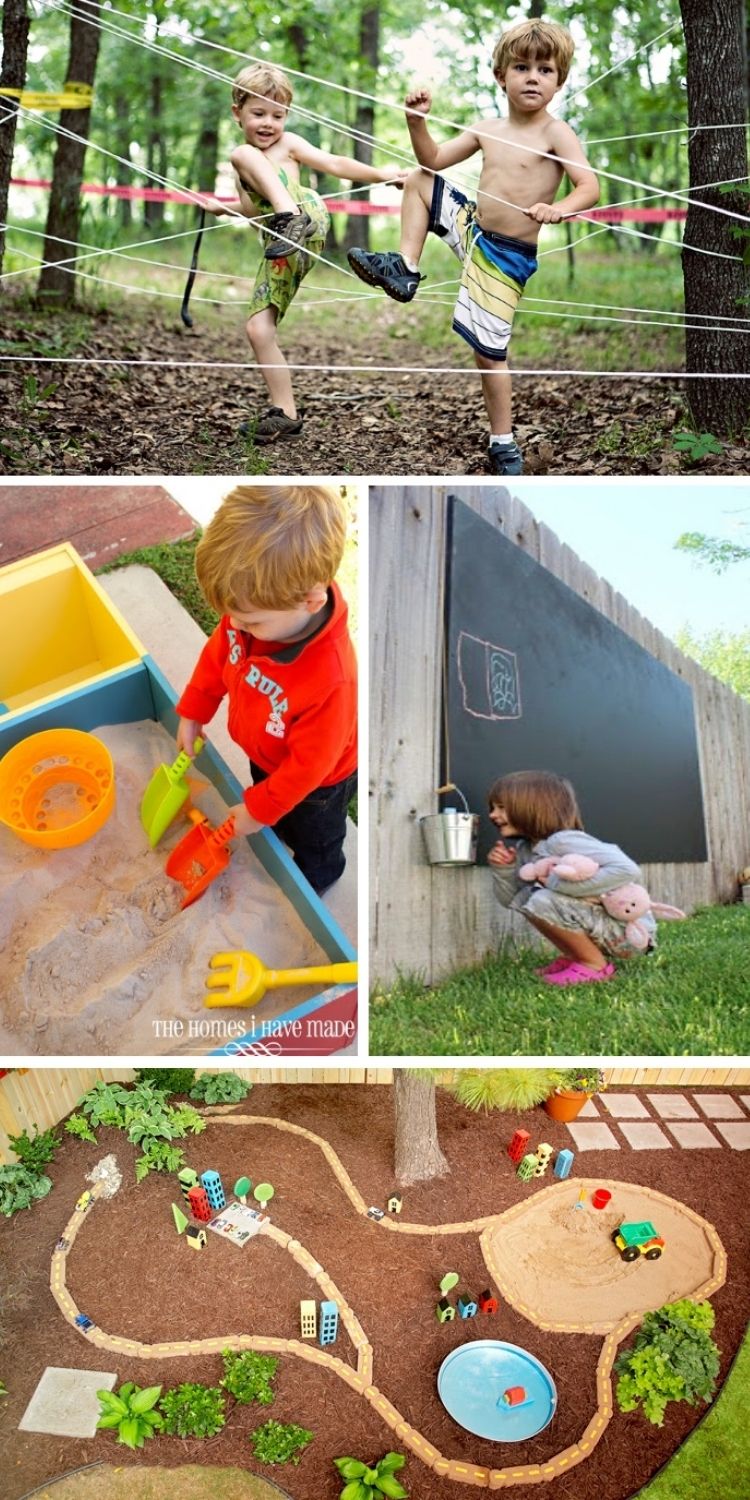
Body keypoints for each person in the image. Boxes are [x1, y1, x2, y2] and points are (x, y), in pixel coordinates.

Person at [346, 19, 599, 475]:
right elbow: (433, 159)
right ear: (502, 76)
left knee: (488, 353)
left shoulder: (556, 134)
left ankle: (503, 441)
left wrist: (560, 208)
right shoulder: (487, 127)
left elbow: (589, 186)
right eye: (522, 67)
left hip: (506, 256)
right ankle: (404, 266)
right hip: (473, 231)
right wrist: (415, 122)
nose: (533, 76)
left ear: (559, 81)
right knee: (420, 180)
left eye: (545, 69)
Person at [201, 63, 406, 444]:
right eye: (258, 113)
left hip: (304, 221)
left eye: (277, 116)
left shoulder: (283, 145)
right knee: (258, 329)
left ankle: (289, 215)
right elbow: (252, 211)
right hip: (282, 243)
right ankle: (286, 414)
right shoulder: (243, 167)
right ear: (237, 112)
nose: (268, 124)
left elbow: (334, 164)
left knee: (240, 153)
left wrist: (384, 174)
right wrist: (223, 209)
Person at [176, 484, 357, 895]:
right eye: (232, 618)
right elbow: (217, 655)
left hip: (319, 784)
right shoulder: (251, 612)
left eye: (252, 623)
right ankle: (274, 818)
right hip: (268, 752)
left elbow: (307, 768)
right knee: (271, 804)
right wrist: (194, 711)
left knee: (313, 836)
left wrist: (259, 810)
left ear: (310, 601)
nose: (237, 629)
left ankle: (321, 873)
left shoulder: (331, 678)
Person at [487, 769, 655, 987]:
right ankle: (576, 958)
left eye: (501, 807)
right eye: (492, 808)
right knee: (530, 899)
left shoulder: (563, 841)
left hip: (629, 934)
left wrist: (558, 886)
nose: (492, 815)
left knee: (542, 899)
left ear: (533, 806)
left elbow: (627, 869)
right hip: (606, 928)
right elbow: (513, 900)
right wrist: (504, 870)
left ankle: (594, 966)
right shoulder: (525, 849)